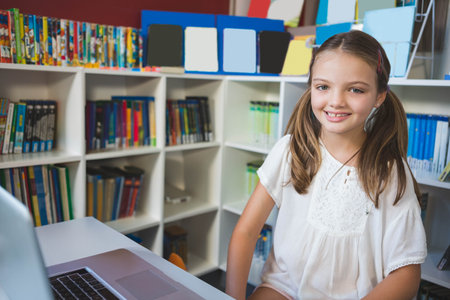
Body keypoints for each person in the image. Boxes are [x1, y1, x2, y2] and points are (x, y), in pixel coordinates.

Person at [226, 30, 427, 300]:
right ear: (311, 87)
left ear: (379, 96)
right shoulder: (290, 151)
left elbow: (407, 274)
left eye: (355, 89)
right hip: (282, 290)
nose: (336, 101)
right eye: (323, 87)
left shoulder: (390, 171)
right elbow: (246, 232)